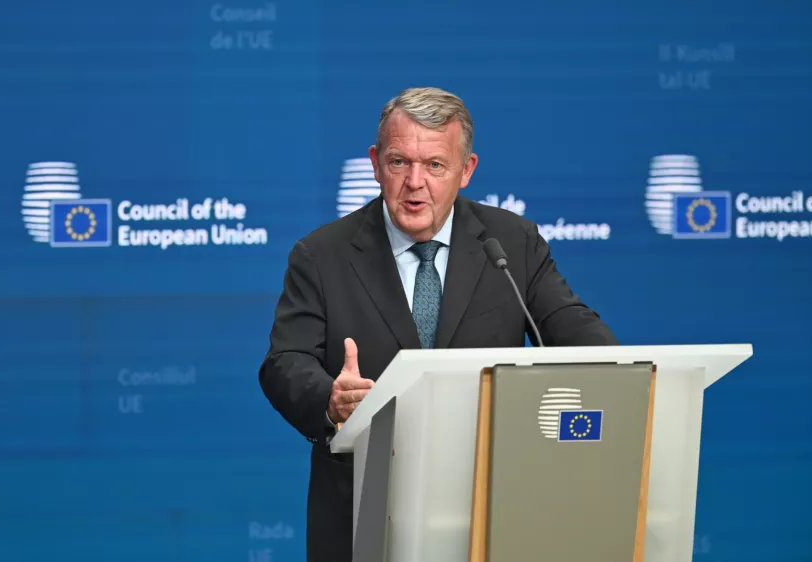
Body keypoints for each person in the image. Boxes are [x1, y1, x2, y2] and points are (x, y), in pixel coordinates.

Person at [258, 87, 618, 561]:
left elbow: (570, 326)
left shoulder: (513, 243)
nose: (415, 182)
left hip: (490, 509)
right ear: (375, 163)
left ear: (466, 170)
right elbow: (285, 361)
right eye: (399, 162)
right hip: (363, 512)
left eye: (434, 165)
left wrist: (624, 372)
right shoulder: (322, 255)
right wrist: (330, 399)